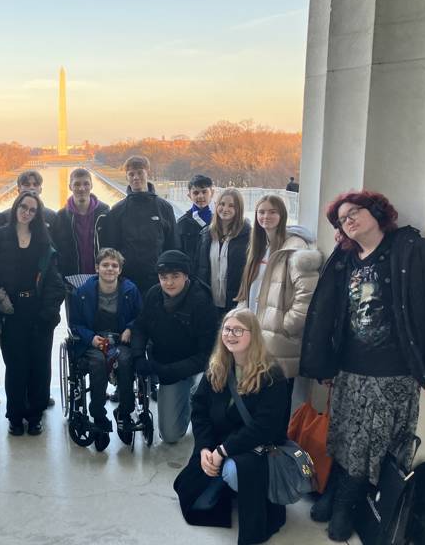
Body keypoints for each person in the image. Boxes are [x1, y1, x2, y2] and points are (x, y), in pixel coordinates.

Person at [300, 190, 425, 541]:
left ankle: (348, 505)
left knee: (372, 443)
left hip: (392, 372)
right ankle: (335, 490)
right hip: (349, 368)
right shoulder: (348, 259)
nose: (348, 220)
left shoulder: (413, 250)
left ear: (378, 212)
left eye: (355, 212)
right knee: (344, 434)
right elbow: (330, 310)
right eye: (341, 219)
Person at [174, 308, 289, 545]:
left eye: (238, 329)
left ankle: (237, 486)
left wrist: (222, 452)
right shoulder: (217, 366)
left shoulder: (272, 374)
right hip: (218, 441)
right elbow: (199, 409)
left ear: (253, 335)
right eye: (227, 329)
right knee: (196, 502)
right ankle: (228, 487)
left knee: (233, 471)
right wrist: (205, 447)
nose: (230, 334)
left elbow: (264, 428)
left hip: (254, 447)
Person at [0, 192, 64, 436]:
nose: (26, 212)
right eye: (23, 207)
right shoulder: (0, 237)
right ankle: (16, 415)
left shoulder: (42, 239)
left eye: (32, 210)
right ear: (16, 207)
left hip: (37, 311)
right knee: (16, 366)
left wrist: (48, 312)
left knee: (39, 366)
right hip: (11, 311)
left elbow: (53, 281)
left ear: (37, 214)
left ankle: (35, 415)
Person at [235, 194, 321, 417]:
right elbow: (250, 291)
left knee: (278, 405)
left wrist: (286, 325)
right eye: (261, 212)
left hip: (278, 339)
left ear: (282, 215)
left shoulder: (294, 248)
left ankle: (277, 450)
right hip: (254, 336)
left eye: (272, 212)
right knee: (257, 402)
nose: (266, 216)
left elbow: (307, 294)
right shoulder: (259, 247)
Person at [131, 250, 218, 443]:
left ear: (186, 276)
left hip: (198, 367)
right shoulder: (154, 294)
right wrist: (138, 356)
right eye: (164, 277)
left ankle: (196, 398)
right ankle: (185, 400)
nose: (169, 282)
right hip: (168, 366)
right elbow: (140, 326)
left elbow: (207, 353)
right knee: (170, 435)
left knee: (205, 382)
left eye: (175, 276)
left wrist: (170, 371)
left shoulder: (201, 301)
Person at [68, 248, 141, 450]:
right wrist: (90, 338)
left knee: (126, 361)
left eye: (114, 265)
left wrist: (129, 328)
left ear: (120, 270)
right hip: (93, 340)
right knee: (97, 363)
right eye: (105, 265)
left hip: (120, 341)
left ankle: (124, 413)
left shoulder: (130, 290)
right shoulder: (82, 292)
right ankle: (99, 415)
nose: (110, 268)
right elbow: (75, 323)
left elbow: (140, 317)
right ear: (97, 268)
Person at [99, 155, 177, 297]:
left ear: (148, 173)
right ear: (127, 177)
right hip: (127, 280)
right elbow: (111, 248)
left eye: (140, 173)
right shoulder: (117, 210)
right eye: (131, 174)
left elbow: (173, 245)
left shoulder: (164, 208)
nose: (136, 177)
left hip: (158, 280)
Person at [196, 188, 250, 318]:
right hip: (209, 302)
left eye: (231, 206)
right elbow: (198, 267)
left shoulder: (248, 236)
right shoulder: (206, 235)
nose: (225, 209)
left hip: (235, 303)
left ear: (239, 209)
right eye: (222, 204)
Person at [53, 167, 110, 277]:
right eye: (77, 184)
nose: (82, 188)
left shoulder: (105, 213)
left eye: (86, 184)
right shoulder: (61, 217)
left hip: (101, 277)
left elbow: (112, 245)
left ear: (91, 185)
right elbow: (57, 250)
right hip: (71, 278)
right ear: (70, 187)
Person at [176, 175, 215, 268]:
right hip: (192, 276)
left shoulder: (220, 221)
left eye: (204, 192)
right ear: (189, 195)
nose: (200, 196)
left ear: (212, 193)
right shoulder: (182, 224)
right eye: (196, 193)